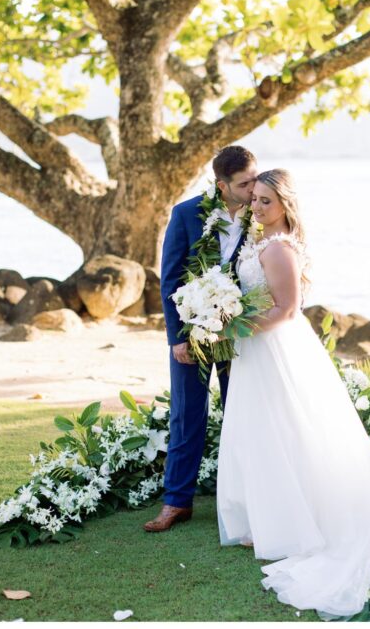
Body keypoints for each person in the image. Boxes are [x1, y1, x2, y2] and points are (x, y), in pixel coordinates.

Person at [216, 169, 370, 617]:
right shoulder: (259, 242)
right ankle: (266, 517)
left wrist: (232, 325)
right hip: (254, 350)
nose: (256, 207)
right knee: (261, 431)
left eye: (266, 201)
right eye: (254, 199)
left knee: (286, 428)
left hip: (275, 349)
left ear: (285, 205)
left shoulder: (279, 247)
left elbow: (288, 309)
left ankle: (296, 520)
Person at [144, 145, 256, 532]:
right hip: (192, 332)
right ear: (222, 186)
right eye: (245, 182)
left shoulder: (262, 211)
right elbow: (171, 279)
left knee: (240, 414)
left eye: (254, 178)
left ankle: (243, 501)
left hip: (238, 332)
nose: (253, 187)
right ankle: (176, 502)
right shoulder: (187, 214)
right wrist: (177, 338)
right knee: (186, 414)